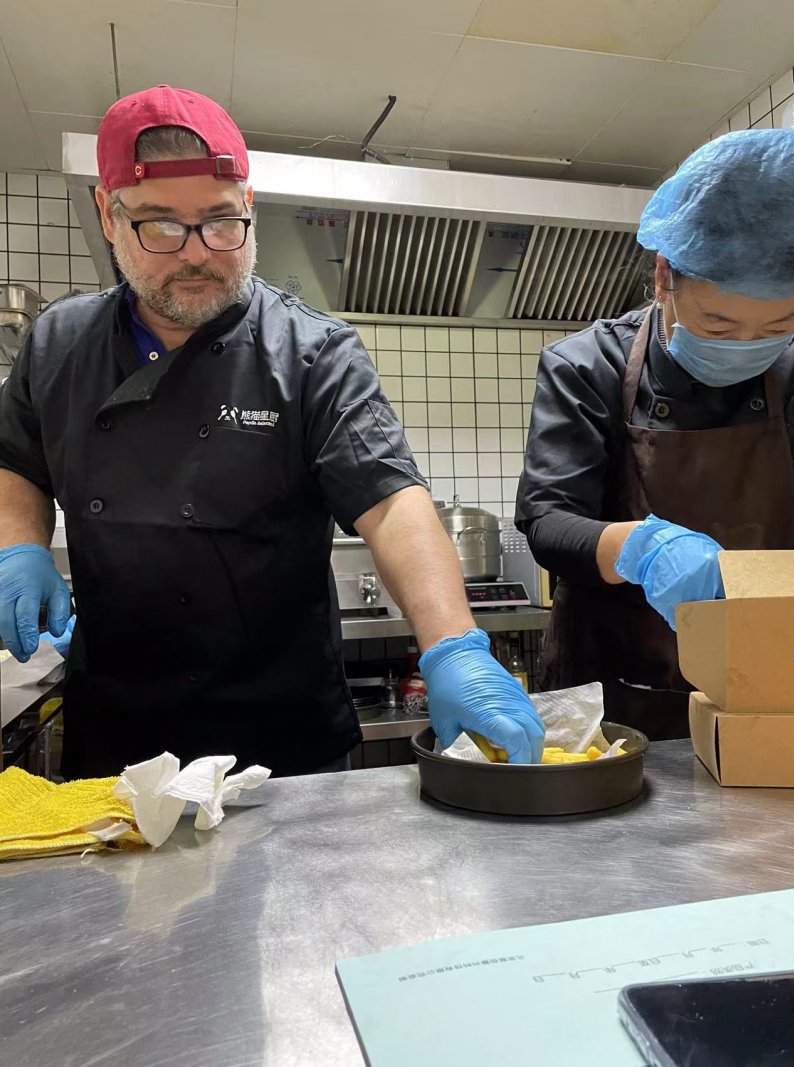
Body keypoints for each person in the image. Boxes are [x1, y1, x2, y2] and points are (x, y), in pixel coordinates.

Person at [0, 85, 544, 777]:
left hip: (283, 743)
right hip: (120, 734)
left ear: (249, 206)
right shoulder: (58, 343)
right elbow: (16, 462)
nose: (198, 254)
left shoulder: (312, 352)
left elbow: (391, 502)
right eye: (162, 227)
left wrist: (454, 646)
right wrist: (18, 547)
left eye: (221, 222)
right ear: (109, 215)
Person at [516, 128, 794, 740]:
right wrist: (645, 550)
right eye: (718, 324)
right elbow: (548, 523)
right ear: (663, 277)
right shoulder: (588, 364)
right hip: (618, 698)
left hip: (773, 687)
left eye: (780, 325)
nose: (747, 344)